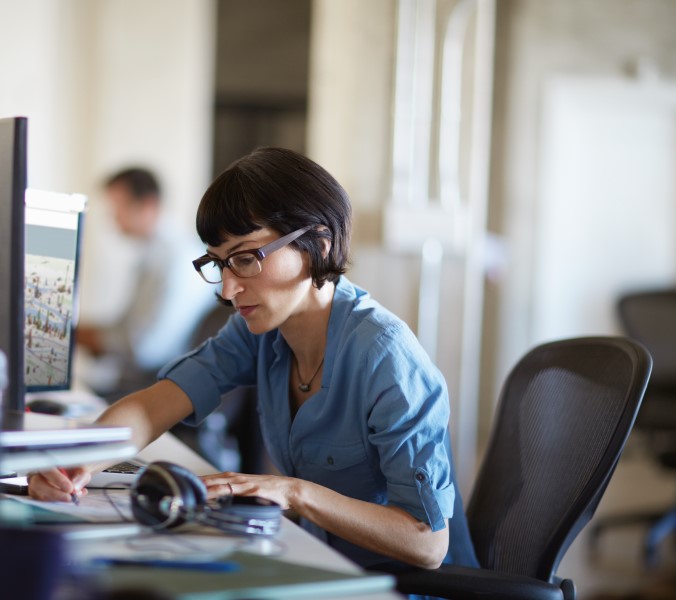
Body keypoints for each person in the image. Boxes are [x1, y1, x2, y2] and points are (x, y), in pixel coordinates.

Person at [32, 148, 475, 572]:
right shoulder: (258, 334)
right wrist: (78, 461)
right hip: (319, 565)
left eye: (246, 259)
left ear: (318, 244)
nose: (227, 289)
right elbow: (155, 404)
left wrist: (295, 493)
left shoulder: (386, 356)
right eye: (219, 263)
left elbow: (427, 543)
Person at [76, 167, 215, 398]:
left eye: (119, 209)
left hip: (159, 386)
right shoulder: (159, 253)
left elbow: (145, 349)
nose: (114, 219)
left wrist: (80, 335)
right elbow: (128, 329)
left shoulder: (174, 259)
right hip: (145, 380)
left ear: (148, 205)